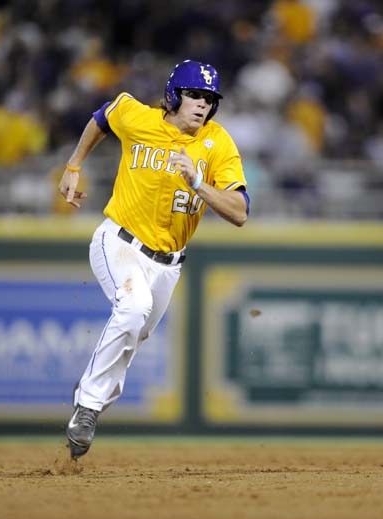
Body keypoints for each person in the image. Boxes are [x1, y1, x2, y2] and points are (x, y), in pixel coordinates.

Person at [58, 60, 249, 459]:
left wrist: (199, 182)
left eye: (209, 99)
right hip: (120, 240)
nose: (201, 105)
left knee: (132, 338)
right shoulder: (138, 116)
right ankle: (88, 407)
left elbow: (240, 212)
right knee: (133, 307)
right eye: (194, 95)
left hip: (168, 265)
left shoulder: (217, 144)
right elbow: (102, 117)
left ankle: (89, 404)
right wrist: (74, 165)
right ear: (174, 95)